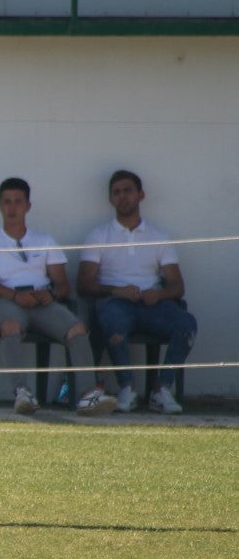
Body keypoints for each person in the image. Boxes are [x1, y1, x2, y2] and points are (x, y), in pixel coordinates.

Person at [0, 178, 117, 416]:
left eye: (18, 202)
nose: (12, 208)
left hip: (41, 303)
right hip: (7, 301)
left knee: (77, 329)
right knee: (10, 326)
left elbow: (63, 284)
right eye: (7, 202)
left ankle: (89, 395)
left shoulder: (44, 240)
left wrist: (52, 294)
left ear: (28, 206)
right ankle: (22, 393)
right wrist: (16, 296)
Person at [78, 170, 196, 414]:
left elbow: (177, 286)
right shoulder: (99, 235)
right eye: (117, 192)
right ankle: (126, 388)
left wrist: (159, 295)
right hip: (115, 304)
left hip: (152, 303)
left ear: (141, 195)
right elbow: (84, 283)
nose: (123, 197)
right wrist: (115, 291)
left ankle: (161, 389)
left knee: (187, 323)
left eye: (128, 190)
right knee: (111, 319)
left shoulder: (158, 236)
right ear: (111, 199)